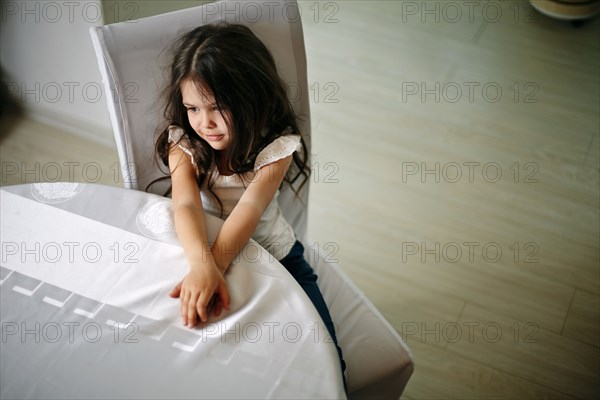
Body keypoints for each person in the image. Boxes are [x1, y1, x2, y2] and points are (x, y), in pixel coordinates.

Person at [151, 22, 346, 384]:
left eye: (217, 107)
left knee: (326, 360)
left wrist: (212, 267)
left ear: (251, 97)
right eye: (192, 108)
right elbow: (186, 206)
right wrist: (202, 265)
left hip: (279, 258)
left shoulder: (277, 148)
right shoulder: (184, 142)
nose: (204, 123)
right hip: (200, 251)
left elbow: (249, 210)